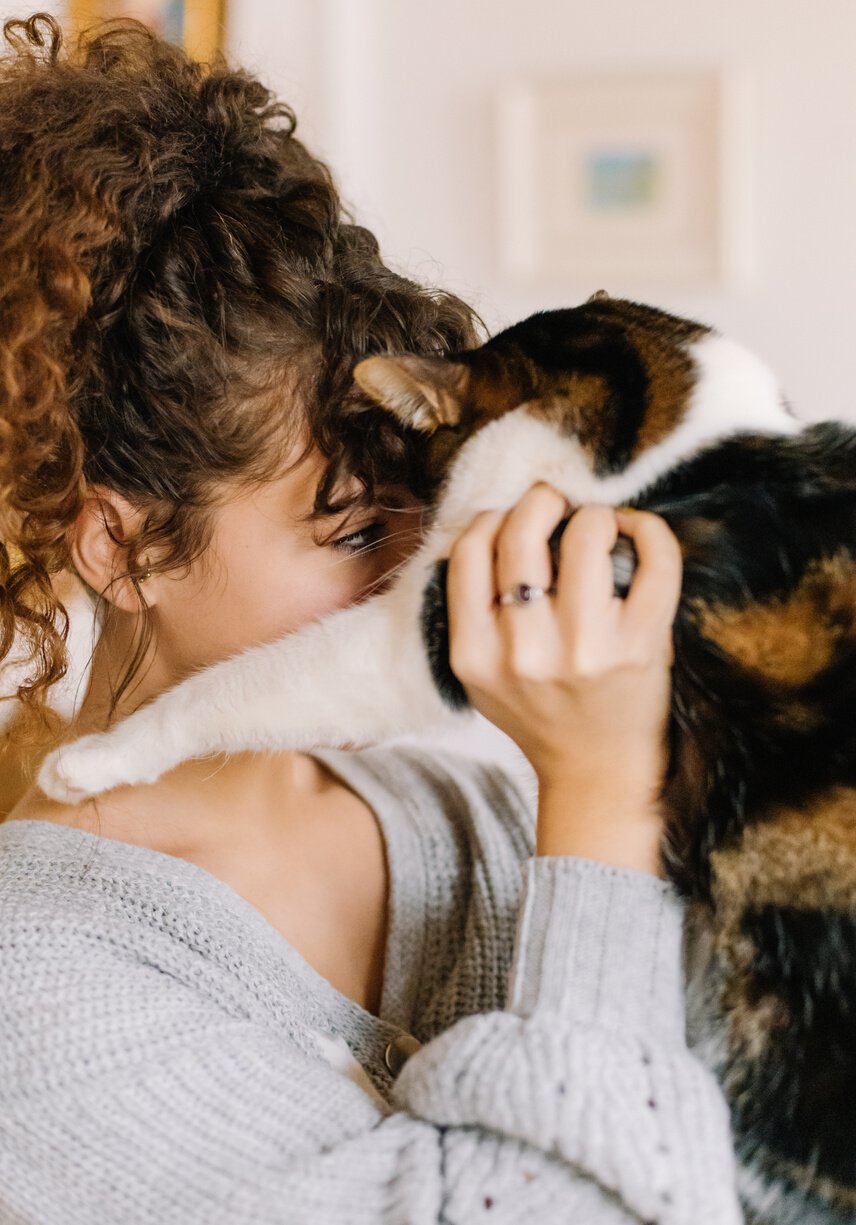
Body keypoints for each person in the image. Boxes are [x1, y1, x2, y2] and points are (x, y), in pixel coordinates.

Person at [0, 13, 741, 1224]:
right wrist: (605, 794)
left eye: (426, 509)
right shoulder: (34, 991)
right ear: (120, 545)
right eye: (349, 533)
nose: (423, 579)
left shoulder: (460, 806)